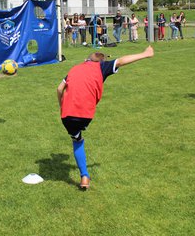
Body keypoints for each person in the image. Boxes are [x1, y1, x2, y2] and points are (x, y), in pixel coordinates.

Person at [57, 46, 154, 190]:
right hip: (85, 113)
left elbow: (59, 89)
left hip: (67, 114)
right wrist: (145, 54)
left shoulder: (74, 69)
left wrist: (61, 106)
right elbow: (121, 61)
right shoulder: (101, 67)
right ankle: (84, 177)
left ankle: (84, 175)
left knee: (77, 139)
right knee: (78, 138)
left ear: (86, 60)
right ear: (101, 62)